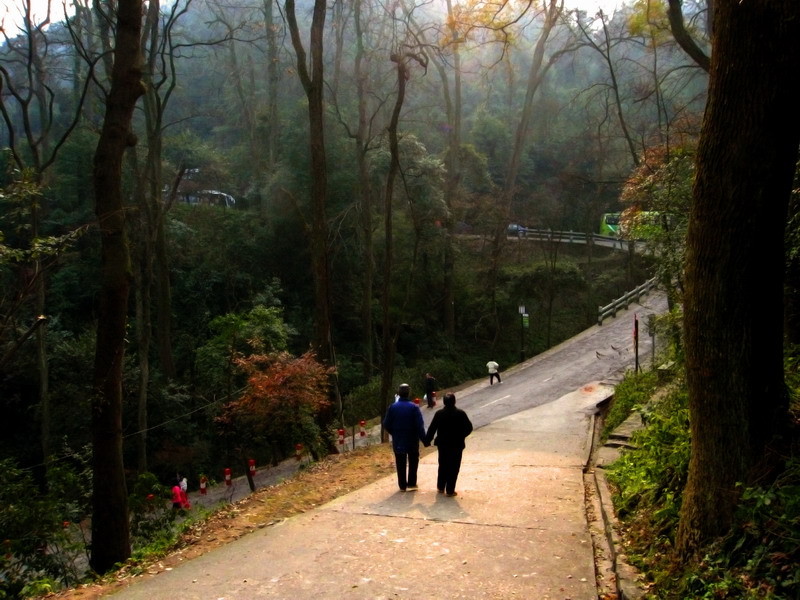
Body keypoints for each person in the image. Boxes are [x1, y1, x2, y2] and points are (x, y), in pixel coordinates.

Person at [424, 392, 473, 497]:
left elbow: (432, 428)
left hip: (443, 444)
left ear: (444, 402)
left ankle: (441, 487)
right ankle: (450, 490)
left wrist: (427, 440)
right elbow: (469, 428)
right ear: (454, 401)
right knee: (454, 466)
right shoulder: (461, 413)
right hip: (457, 444)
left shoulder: (439, 414)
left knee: (443, 464)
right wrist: (461, 436)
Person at [383, 383, 429, 492]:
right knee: (413, 460)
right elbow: (419, 426)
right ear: (409, 393)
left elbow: (386, 424)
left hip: (398, 439)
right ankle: (412, 483)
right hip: (412, 439)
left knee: (400, 462)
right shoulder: (414, 407)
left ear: (399, 393)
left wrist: (394, 433)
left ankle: (402, 485)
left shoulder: (392, 407)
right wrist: (425, 440)